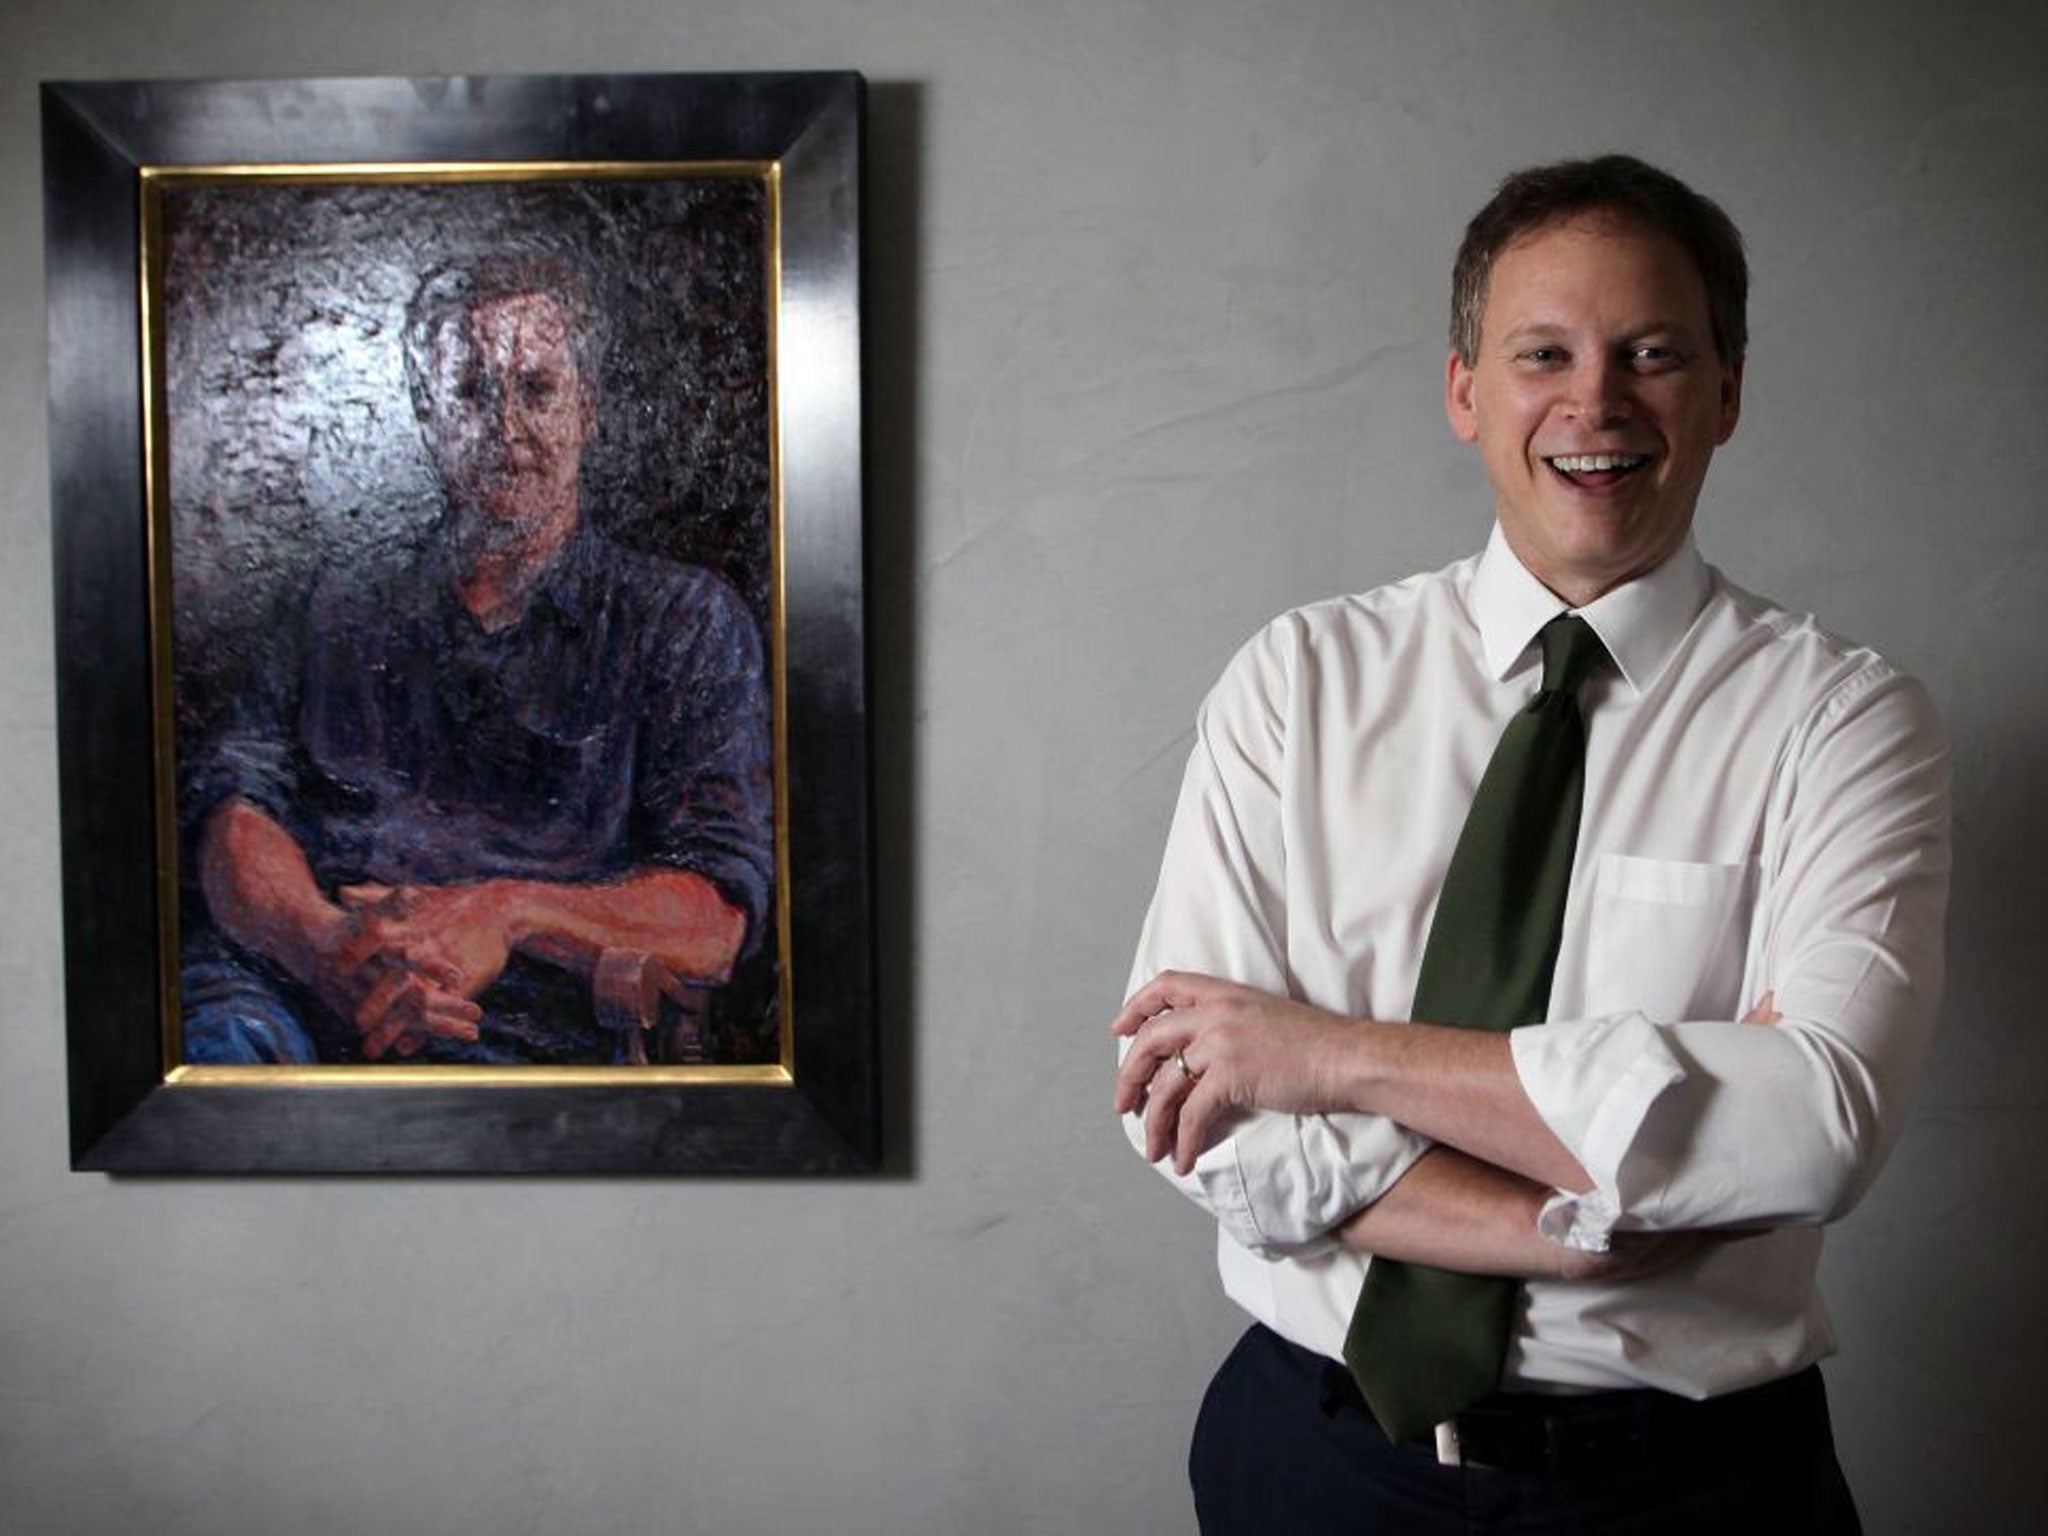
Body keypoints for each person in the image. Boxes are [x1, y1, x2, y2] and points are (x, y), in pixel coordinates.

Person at [1112, 155, 1947, 1532]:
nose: (1596, 400)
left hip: (1690, 1488)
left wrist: (1330, 1055)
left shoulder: (1842, 722)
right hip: (1318, 1463)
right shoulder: (1297, 683)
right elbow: (1198, 1114)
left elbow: (1818, 1126)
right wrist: (1598, 1210)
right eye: (1542, 352)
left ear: (1728, 392)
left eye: (1654, 353)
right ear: (1464, 393)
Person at [180, 253, 775, 1066]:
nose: (505, 428)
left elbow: (714, 921)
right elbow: (234, 816)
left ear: (587, 410)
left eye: (535, 391)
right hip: (301, 999)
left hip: (532, 1028)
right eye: (469, 392)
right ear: (424, 412)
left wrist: (503, 913)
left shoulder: (683, 620)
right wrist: (327, 949)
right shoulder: (329, 604)